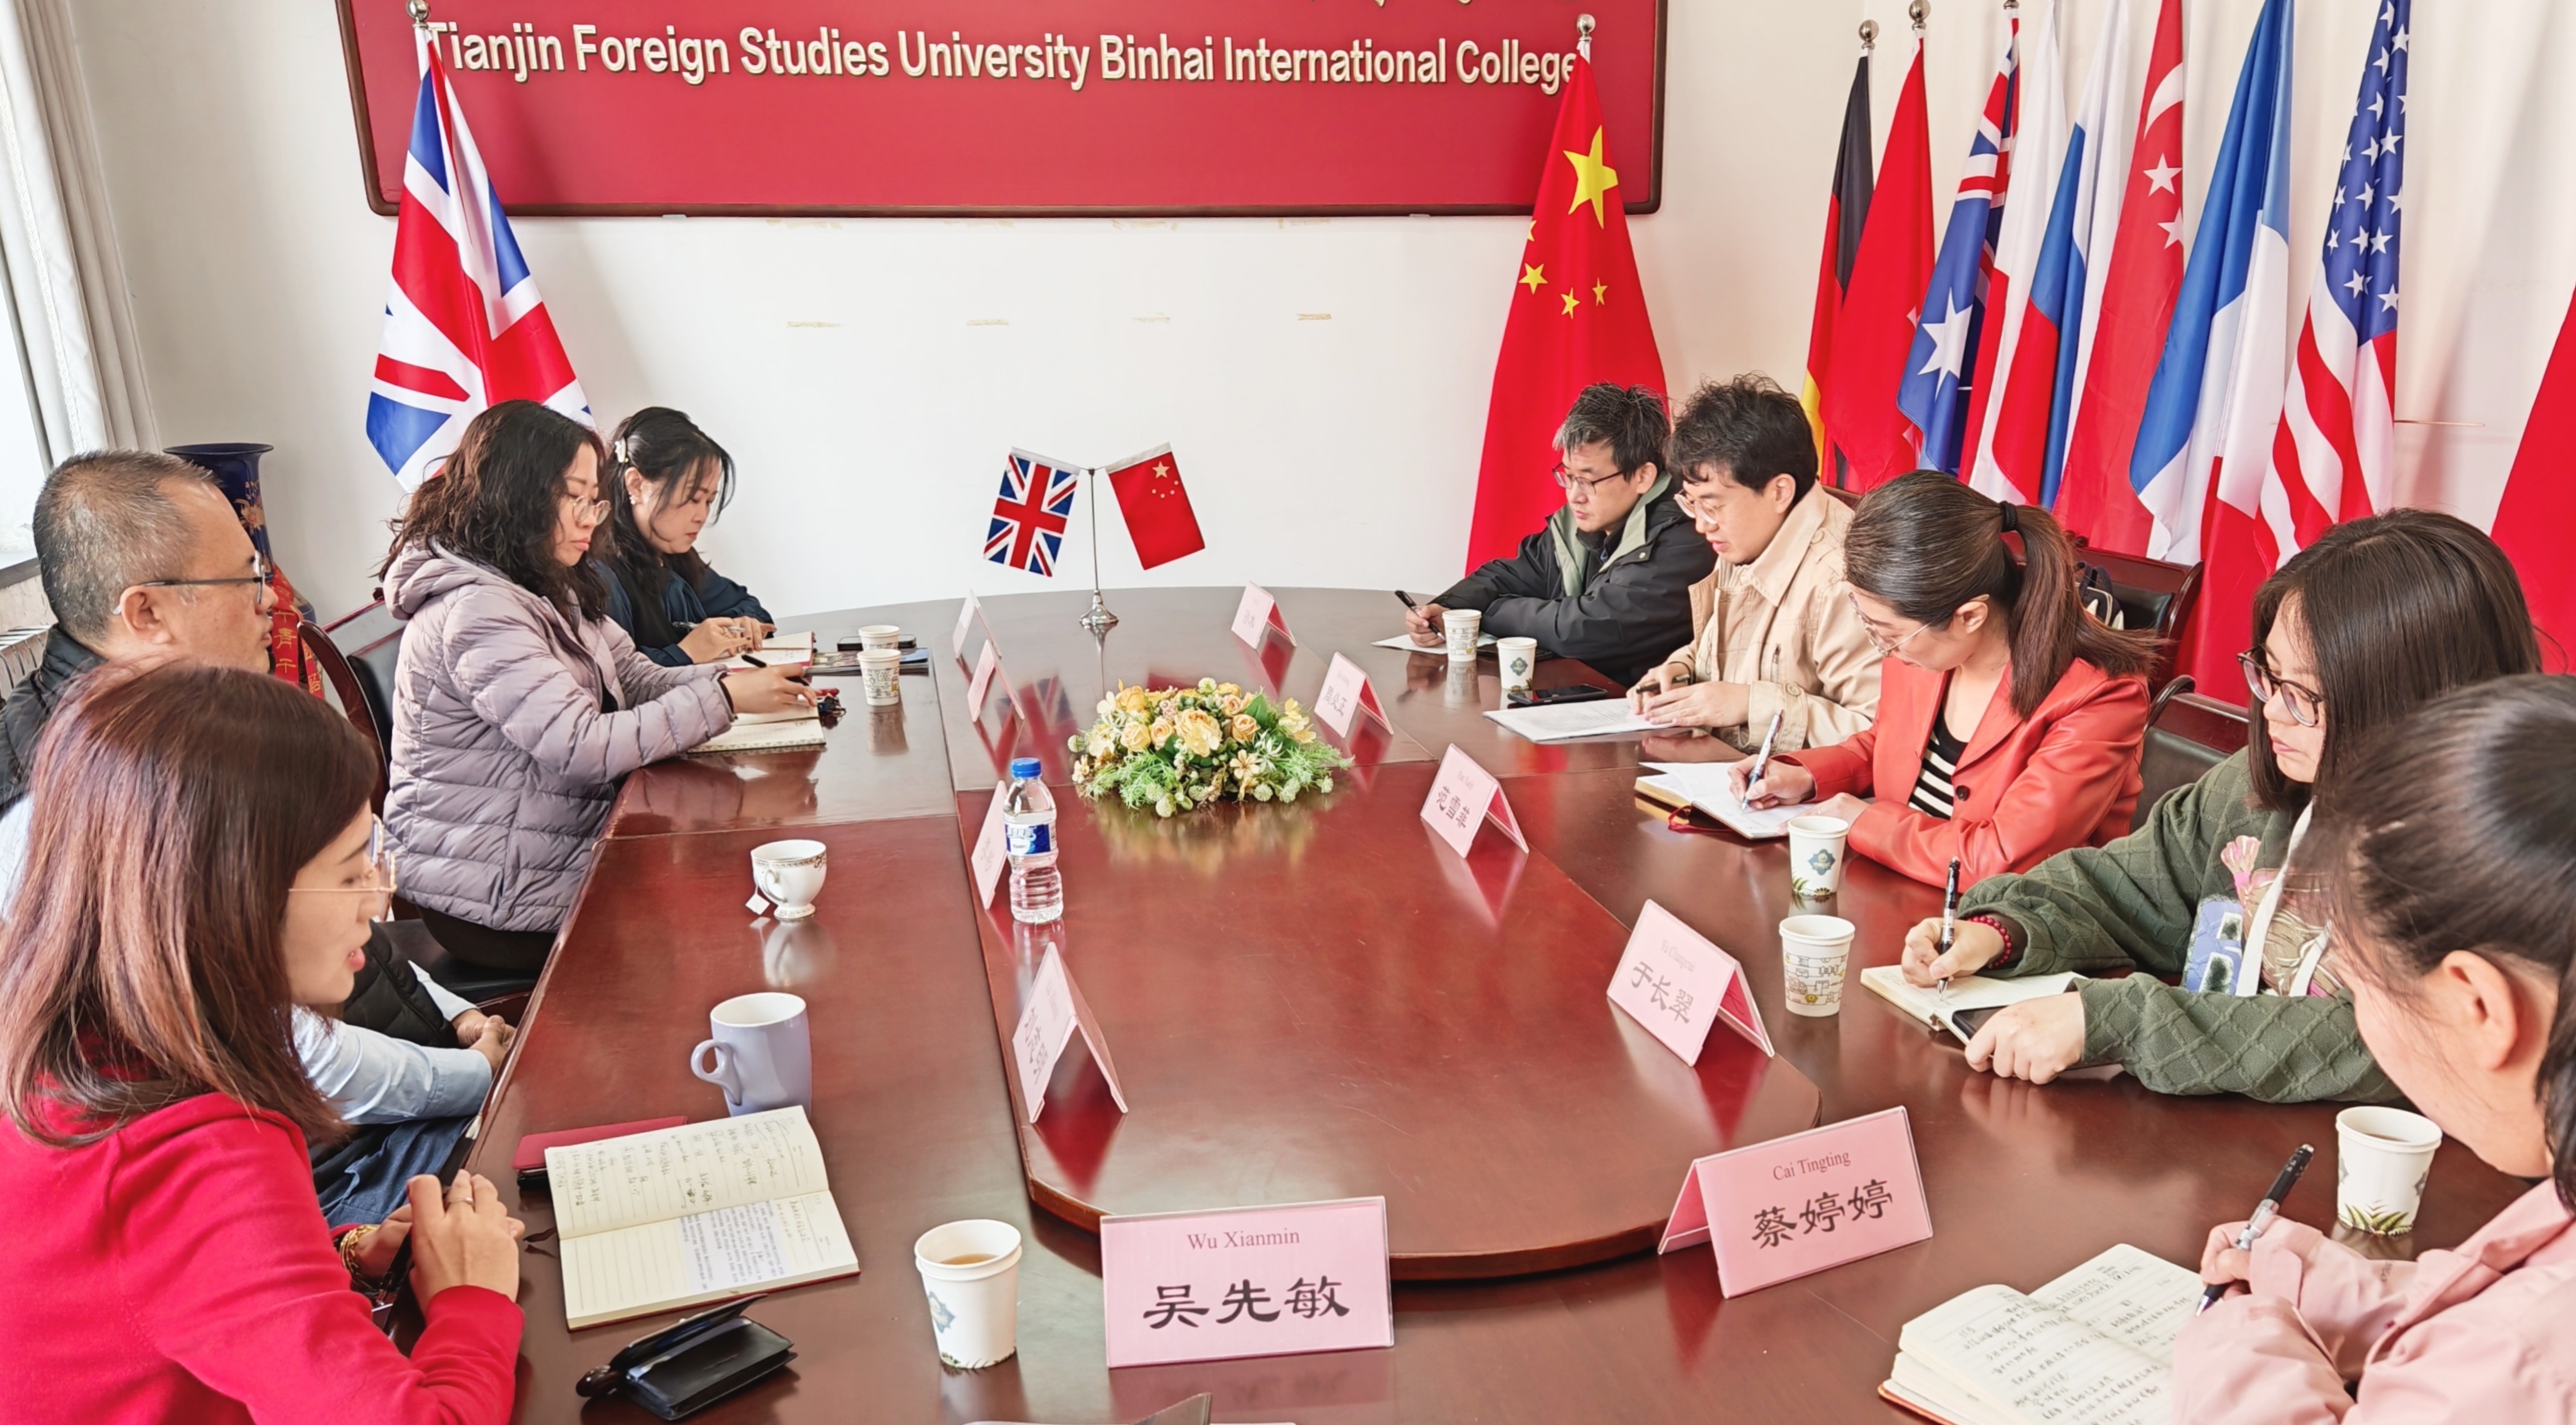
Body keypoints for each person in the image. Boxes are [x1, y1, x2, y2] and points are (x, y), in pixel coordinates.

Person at [0, 660, 523, 1424]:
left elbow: (166, 1282)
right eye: (349, 875)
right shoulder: (197, 1148)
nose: (377, 901)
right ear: (230, 897)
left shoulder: (77, 1050)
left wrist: (344, 1253)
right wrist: (472, 1296)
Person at [1903, 510, 2542, 1101]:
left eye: (2305, 695)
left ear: (2415, 704)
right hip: (2211, 1141)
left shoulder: (2503, 852)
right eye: (2269, 675)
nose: (2273, 713)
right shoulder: (2262, 785)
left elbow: (2390, 1043)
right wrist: (2002, 930)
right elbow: (2125, 888)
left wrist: (2122, 1020)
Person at [0, 452, 506, 1164]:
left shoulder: (204, 731)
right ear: (147, 612)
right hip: (322, 1153)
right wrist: (473, 1075)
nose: (273, 601)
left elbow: (345, 910)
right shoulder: (83, 801)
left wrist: (455, 1017)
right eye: (246, 578)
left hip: (393, 1082)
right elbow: (277, 1047)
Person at [2176, 675, 2576, 1424]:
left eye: (2360, 984)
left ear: (2480, 1007)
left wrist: (2237, 1337)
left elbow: (2505, 1356)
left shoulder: (2518, 1357)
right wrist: (2337, 1291)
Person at [379, 400, 811, 973]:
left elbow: (635, 677)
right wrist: (725, 699)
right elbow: (580, 746)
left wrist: (734, 682)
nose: (592, 517)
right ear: (520, 494)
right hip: (493, 897)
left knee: (730, 878)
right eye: (575, 497)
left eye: (595, 499)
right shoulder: (477, 610)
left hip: (547, 853)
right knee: (719, 906)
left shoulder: (545, 584)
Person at [1731, 471, 2157, 887]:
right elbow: (1889, 744)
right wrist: (1805, 776)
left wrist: (1865, 821)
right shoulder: (1925, 646)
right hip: (1900, 886)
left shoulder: (2101, 696)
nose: (1884, 649)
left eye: (1889, 633)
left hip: (2012, 917)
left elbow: (2002, 860)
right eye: (1869, 624)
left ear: (1969, 616)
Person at [1626, 374, 1882, 751]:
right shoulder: (1746, 536)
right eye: (1691, 503)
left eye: (1712, 505)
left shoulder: (1842, 580)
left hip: (1792, 785)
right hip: (1727, 768)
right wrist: (1680, 670)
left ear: (1779, 492)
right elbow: (1727, 649)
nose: (1701, 525)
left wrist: (1750, 704)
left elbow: (1875, 732)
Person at [1408, 383, 1714, 686]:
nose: (1574, 496)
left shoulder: (1686, 534)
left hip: (1641, 708)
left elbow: (1588, 628)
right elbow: (1511, 574)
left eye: (1588, 480)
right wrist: (1448, 607)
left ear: (1643, 476)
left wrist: (1481, 615)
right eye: (1568, 476)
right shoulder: (1587, 520)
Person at [594, 407, 773, 667]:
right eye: (692, 498)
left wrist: (743, 623)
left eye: (708, 501)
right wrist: (686, 653)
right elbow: (610, 676)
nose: (702, 516)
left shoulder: (672, 552)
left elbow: (746, 605)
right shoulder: (601, 573)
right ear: (636, 485)